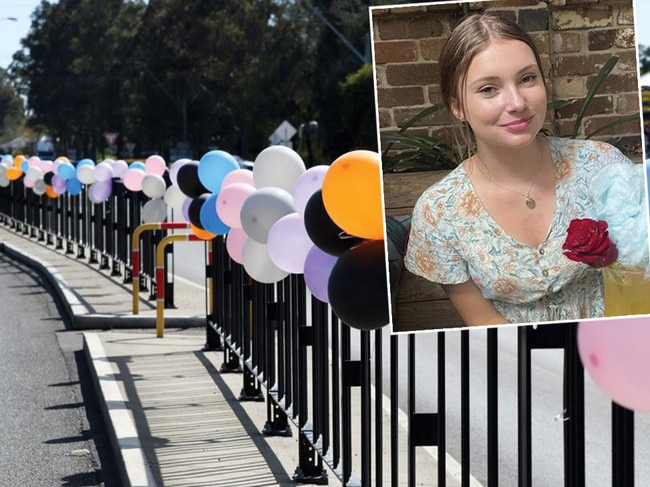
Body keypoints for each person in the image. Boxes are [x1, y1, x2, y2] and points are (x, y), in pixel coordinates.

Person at [403, 13, 636, 326]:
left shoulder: (602, 166)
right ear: (457, 106)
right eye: (488, 89)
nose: (516, 102)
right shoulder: (439, 213)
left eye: (527, 79)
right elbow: (483, 322)